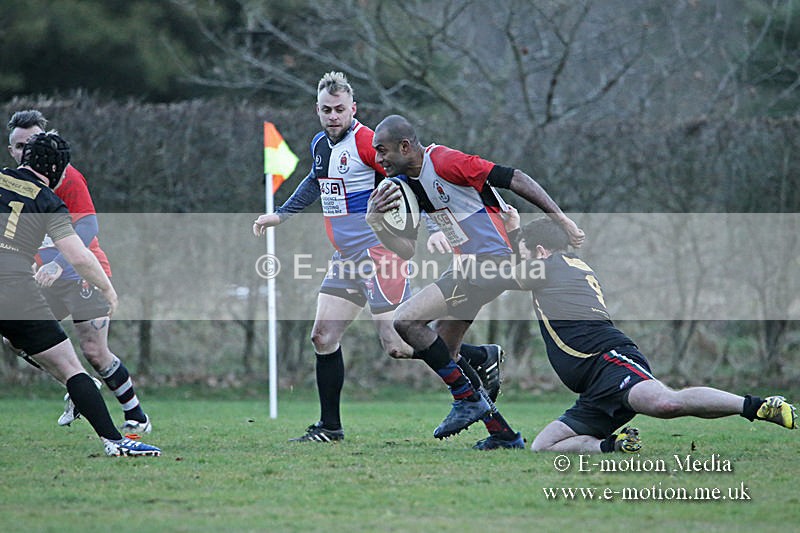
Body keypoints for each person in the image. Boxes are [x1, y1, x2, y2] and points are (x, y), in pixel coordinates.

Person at [253, 72, 504, 443]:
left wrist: (435, 230)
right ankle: (329, 428)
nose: (333, 115)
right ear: (317, 110)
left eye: (340, 109)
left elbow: (411, 180)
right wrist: (282, 214)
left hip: (380, 253)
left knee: (399, 345)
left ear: (353, 108)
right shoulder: (320, 144)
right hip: (345, 257)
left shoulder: (369, 143)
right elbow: (315, 180)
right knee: (322, 336)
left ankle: (478, 356)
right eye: (327, 109)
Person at [366, 114, 585, 449]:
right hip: (473, 268)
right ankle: (503, 433)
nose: (378, 159)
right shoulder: (408, 185)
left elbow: (516, 178)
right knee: (446, 352)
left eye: (382, 151)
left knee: (406, 321)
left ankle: (468, 395)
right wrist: (376, 222)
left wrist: (562, 220)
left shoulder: (445, 161)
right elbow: (406, 250)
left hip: (491, 262)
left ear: (405, 146)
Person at [499, 216, 797, 453]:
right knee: (544, 445)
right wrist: (515, 236)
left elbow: (495, 274)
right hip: (593, 388)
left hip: (609, 362)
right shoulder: (566, 265)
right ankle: (614, 446)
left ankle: (759, 407)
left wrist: (466, 261)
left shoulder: (549, 267)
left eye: (525, 255)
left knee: (666, 404)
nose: (522, 262)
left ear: (540, 252)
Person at [0, 131, 160, 456]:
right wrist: (108, 289)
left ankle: (131, 416)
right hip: (14, 289)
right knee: (73, 369)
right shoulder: (48, 202)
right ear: (58, 169)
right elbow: (79, 256)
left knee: (86, 353)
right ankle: (116, 443)